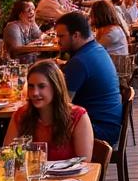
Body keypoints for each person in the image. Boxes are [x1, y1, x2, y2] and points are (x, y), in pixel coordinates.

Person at [53, 11, 124, 146]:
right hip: (109, 125)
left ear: (76, 35)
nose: (58, 40)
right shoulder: (96, 49)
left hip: (98, 131)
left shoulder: (79, 61)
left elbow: (61, 105)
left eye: (61, 36)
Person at [1, 0, 43, 64]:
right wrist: (34, 47)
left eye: (33, 9)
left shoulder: (29, 24)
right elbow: (17, 50)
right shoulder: (13, 27)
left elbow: (40, 37)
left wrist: (33, 22)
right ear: (20, 14)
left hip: (28, 61)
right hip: (13, 64)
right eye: (29, 10)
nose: (32, 12)